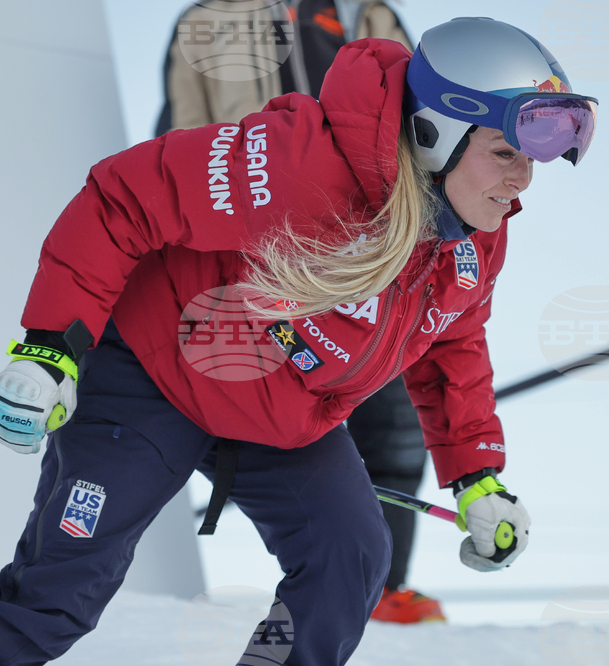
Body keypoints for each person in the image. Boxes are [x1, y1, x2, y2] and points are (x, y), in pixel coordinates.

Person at [0, 16, 597, 666]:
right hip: (151, 379)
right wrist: (51, 348)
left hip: (285, 416)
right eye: (507, 152)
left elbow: (453, 353)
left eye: (531, 159)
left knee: (350, 557)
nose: (522, 180)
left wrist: (479, 479)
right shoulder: (299, 163)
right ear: (436, 131)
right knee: (57, 599)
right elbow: (123, 198)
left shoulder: (472, 242)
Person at [157, 0, 443, 624]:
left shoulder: (375, 16)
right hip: (263, 252)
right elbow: (179, 135)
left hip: (374, 253)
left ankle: (384, 590)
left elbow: (428, 130)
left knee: (394, 429)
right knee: (259, 420)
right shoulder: (208, 20)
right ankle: (311, 586)